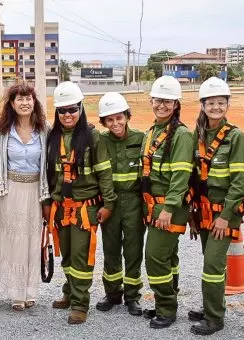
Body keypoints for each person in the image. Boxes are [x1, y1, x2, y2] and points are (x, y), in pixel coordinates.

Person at [46, 81, 117, 324]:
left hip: (84, 208)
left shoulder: (92, 137)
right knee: (65, 254)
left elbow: (105, 173)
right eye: (62, 110)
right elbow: (48, 175)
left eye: (72, 109)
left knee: (80, 257)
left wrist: (108, 204)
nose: (68, 115)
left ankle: (80, 304)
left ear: (81, 108)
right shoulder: (52, 137)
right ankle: (69, 292)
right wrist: (47, 203)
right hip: (60, 206)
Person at [186, 77, 244, 335]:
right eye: (210, 103)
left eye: (220, 102)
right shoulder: (198, 135)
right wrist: (191, 212)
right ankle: (213, 304)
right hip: (202, 212)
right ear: (203, 105)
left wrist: (225, 216)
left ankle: (215, 318)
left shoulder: (236, 138)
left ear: (227, 105)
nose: (215, 107)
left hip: (223, 213)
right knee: (211, 261)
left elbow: (239, 181)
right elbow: (192, 176)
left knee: (212, 264)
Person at [0, 82, 50, 311]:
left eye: (28, 99)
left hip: (35, 191)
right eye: (19, 100)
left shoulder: (45, 129)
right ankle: (16, 293)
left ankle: (29, 290)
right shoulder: (3, 131)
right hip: (10, 191)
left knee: (32, 241)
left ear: (34, 102)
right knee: (13, 241)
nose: (24, 103)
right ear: (12, 105)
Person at [140, 75, 193, 329]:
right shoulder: (153, 131)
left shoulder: (181, 135)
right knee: (168, 257)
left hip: (168, 207)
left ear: (176, 104)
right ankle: (166, 301)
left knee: (154, 257)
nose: (162, 105)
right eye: (158, 100)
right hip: (154, 205)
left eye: (168, 102)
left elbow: (181, 176)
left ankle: (166, 308)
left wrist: (169, 209)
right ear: (151, 100)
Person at [94, 92, 145, 316]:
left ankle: (133, 296)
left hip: (133, 201)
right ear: (104, 122)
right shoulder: (101, 141)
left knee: (133, 251)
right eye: (110, 119)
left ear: (127, 116)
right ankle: (113, 293)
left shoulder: (141, 139)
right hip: (110, 203)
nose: (115, 123)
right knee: (111, 249)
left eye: (119, 118)